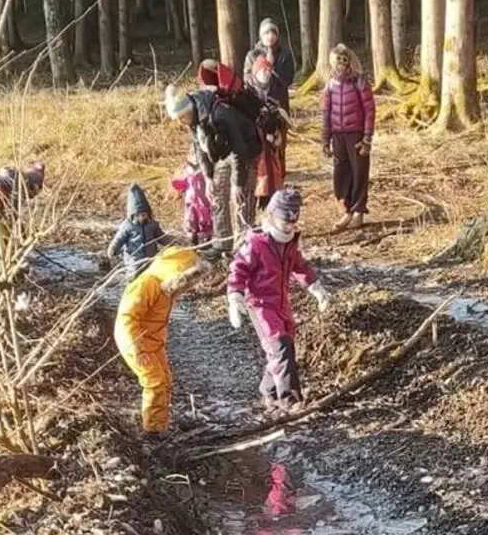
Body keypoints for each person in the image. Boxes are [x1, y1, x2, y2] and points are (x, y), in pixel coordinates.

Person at [226, 189, 331, 412]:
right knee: (280, 347)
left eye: (293, 221)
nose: (289, 226)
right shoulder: (256, 244)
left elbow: (299, 266)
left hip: (282, 304)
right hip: (260, 305)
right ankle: (290, 400)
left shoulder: (290, 244)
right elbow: (238, 269)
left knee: (283, 349)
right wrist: (235, 297)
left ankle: (269, 392)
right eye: (285, 220)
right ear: (272, 216)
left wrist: (315, 287)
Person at [114, 246, 209, 435]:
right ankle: (154, 430)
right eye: (186, 280)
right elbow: (127, 317)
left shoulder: (167, 288)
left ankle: (160, 421)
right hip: (135, 342)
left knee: (165, 379)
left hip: (153, 341)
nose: (188, 286)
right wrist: (137, 348)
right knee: (154, 382)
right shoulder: (146, 285)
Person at [164, 81, 262, 258]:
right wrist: (208, 177)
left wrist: (238, 183)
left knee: (241, 197)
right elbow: (200, 149)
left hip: (246, 149)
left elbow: (239, 148)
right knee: (217, 192)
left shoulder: (219, 114)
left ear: (189, 108)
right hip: (225, 152)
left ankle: (243, 245)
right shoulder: (193, 120)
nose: (182, 122)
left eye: (183, 117)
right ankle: (222, 242)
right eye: (178, 119)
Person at [320, 44, 375, 231]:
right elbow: (326, 113)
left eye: (344, 60)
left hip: (356, 133)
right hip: (338, 134)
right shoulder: (330, 84)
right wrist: (325, 140)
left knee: (359, 170)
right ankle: (346, 210)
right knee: (340, 173)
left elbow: (369, 109)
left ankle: (359, 209)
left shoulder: (359, 81)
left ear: (349, 61)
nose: (341, 65)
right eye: (337, 61)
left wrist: (367, 137)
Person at [0, 162, 45, 284]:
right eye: (34, 192)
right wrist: (20, 235)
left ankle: (0, 266)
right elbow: (12, 214)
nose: (32, 197)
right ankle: (0, 276)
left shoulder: (12, 177)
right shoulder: (19, 186)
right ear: (31, 185)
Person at [245, 55, 292, 209]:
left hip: (272, 139)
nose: (266, 72)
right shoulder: (247, 91)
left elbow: (282, 112)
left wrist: (277, 130)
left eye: (268, 69)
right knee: (258, 172)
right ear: (255, 72)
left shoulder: (277, 87)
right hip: (254, 140)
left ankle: (271, 202)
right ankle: (256, 202)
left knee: (273, 171)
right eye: (262, 69)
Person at [107, 184, 170, 280]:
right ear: (132, 215)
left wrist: (170, 243)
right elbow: (119, 239)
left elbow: (161, 237)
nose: (141, 218)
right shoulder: (127, 226)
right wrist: (113, 249)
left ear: (148, 214)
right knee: (135, 277)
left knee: (150, 277)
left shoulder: (152, 225)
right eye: (138, 215)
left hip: (150, 257)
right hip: (134, 259)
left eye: (144, 215)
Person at [243, 18, 295, 111]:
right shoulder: (252, 55)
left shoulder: (285, 54)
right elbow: (247, 79)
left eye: (273, 33)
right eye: (266, 33)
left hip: (279, 103)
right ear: (261, 35)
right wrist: (259, 77)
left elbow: (288, 79)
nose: (270, 36)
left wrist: (271, 68)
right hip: (258, 102)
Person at [168, 154, 213, 247]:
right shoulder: (187, 174)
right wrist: (175, 184)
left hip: (203, 203)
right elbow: (182, 184)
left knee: (205, 221)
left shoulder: (205, 174)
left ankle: (206, 241)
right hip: (191, 203)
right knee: (191, 220)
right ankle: (192, 240)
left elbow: (210, 185)